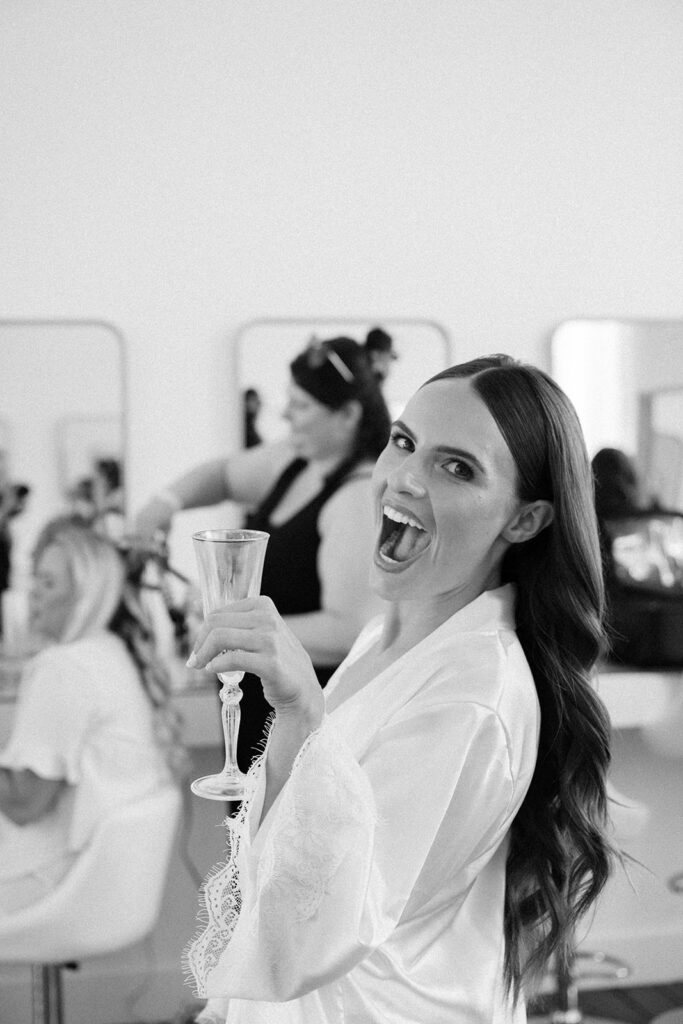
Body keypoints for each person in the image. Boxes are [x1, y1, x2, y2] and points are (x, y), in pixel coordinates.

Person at [182, 354, 616, 1023]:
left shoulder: (472, 696)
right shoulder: (392, 631)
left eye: (456, 467)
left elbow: (308, 937)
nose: (403, 478)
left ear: (524, 520)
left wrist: (301, 707)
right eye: (404, 442)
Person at [134, 336, 391, 771]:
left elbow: (348, 631)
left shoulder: (355, 498)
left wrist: (232, 628)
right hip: (253, 696)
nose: (286, 415)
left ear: (348, 415)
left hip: (305, 713)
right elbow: (221, 476)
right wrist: (162, 505)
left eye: (302, 406)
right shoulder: (297, 462)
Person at [0, 517, 182, 914]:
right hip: (111, 878)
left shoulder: (65, 667)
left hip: (57, 882)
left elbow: (24, 803)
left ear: (85, 595)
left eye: (48, 583)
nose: (33, 594)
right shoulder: (109, 653)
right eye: (35, 579)